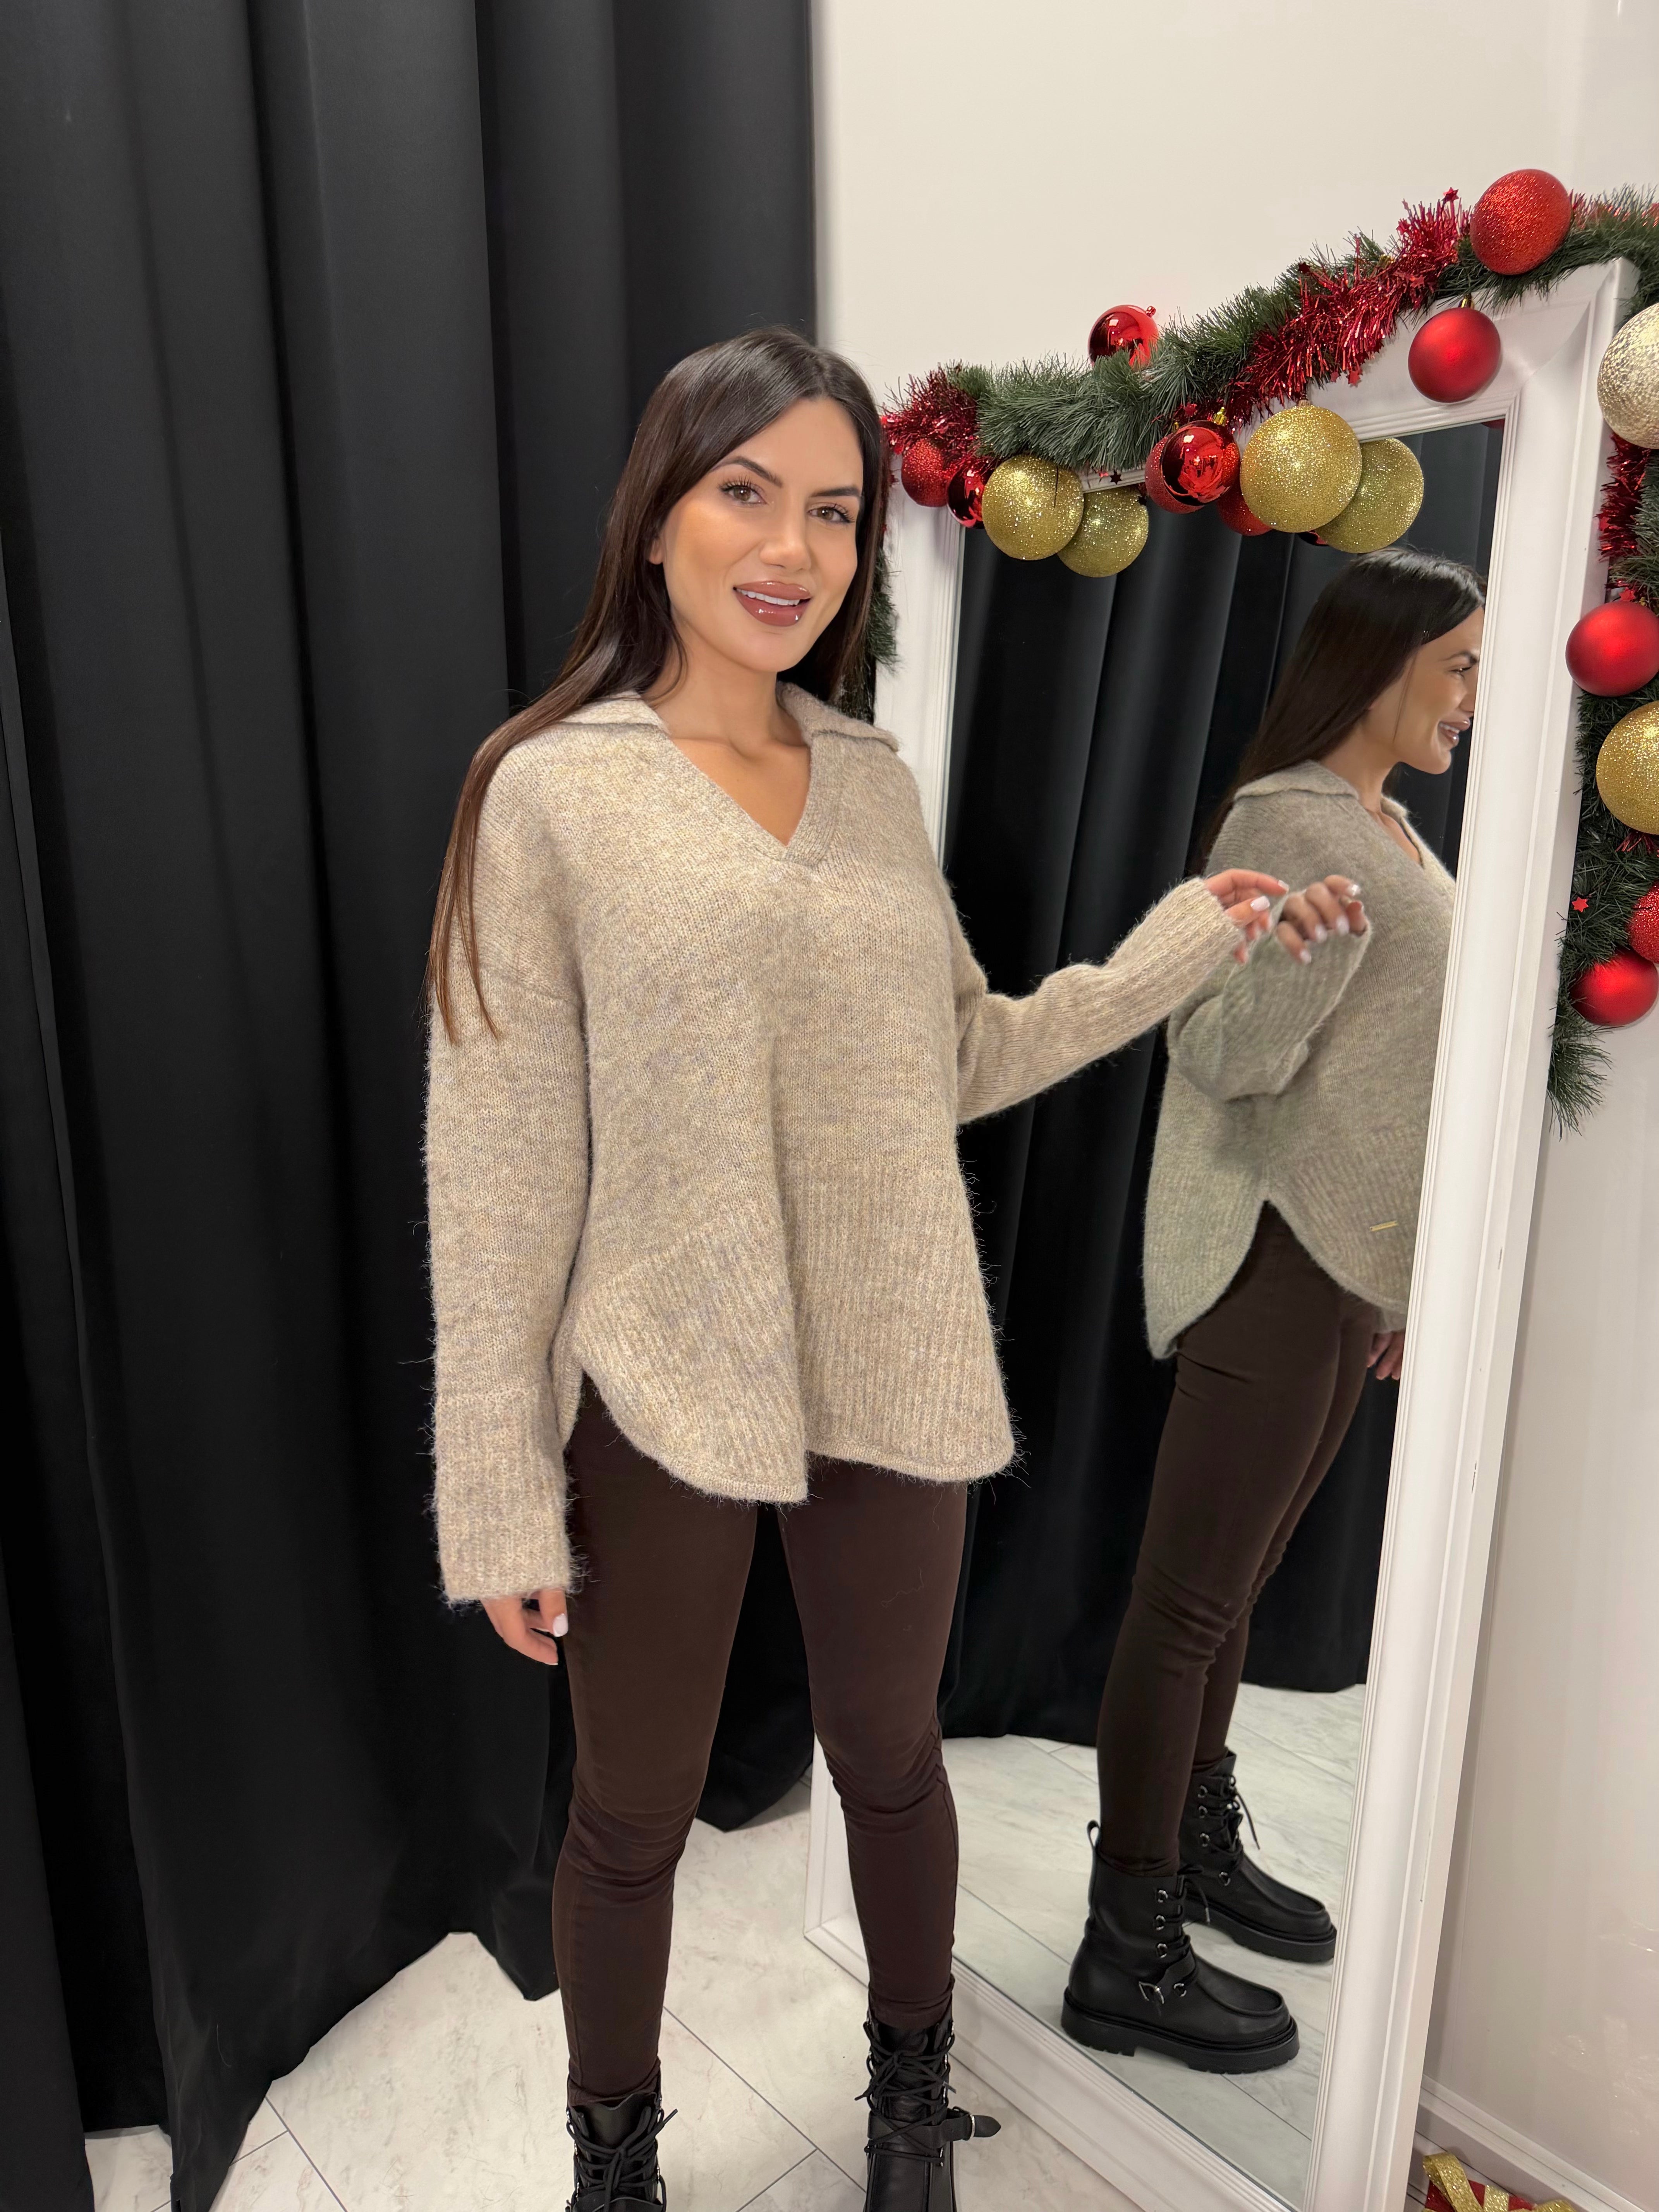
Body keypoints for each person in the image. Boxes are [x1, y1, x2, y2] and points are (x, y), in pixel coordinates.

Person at [424, 325, 1297, 2212]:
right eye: (748, 493)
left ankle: (913, 2115)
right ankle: (615, 2169)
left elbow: (955, 1054)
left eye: (835, 512)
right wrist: (497, 1490)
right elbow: (498, 1171)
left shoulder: (872, 778)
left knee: (893, 1762)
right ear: (659, 513)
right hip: (662, 1370)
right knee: (633, 1815)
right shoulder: (548, 791)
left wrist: (1171, 954)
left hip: (891, 1356)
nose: (793, 548)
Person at [1063, 547, 1484, 2076]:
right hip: (1267, 1252)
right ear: (1378, 664)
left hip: (1342, 1262)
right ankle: (1125, 1944)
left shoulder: (1394, 829)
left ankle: (1190, 1844)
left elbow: (1397, 1079)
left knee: (1230, 1594)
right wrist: (1307, 963)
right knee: (1187, 1601)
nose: (1470, 698)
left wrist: (1402, 1277)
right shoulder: (1282, 820)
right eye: (1457, 666)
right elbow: (1221, 1055)